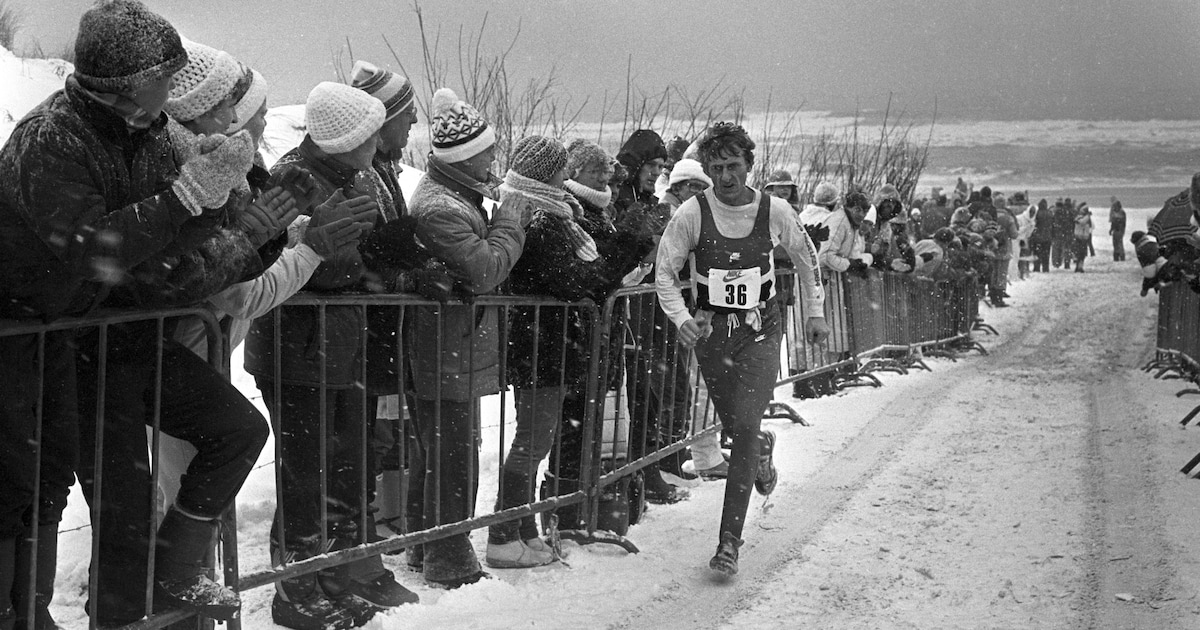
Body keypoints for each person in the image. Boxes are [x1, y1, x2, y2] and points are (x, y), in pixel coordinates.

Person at [244, 81, 418, 629]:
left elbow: (342, 260)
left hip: (334, 345)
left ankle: (333, 574)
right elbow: (303, 262)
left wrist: (379, 254)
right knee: (305, 472)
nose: (381, 144)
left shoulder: (347, 176)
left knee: (339, 465)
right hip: (297, 347)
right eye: (371, 133)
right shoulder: (296, 180)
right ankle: (294, 588)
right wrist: (362, 257)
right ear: (350, 138)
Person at [655, 123, 828, 576]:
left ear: (749, 166)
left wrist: (815, 313)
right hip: (714, 332)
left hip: (761, 327)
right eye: (716, 168)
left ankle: (729, 541)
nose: (726, 177)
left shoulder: (776, 210)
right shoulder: (692, 213)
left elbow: (808, 261)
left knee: (746, 426)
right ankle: (762, 451)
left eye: (733, 166)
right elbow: (664, 274)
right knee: (736, 430)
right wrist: (682, 319)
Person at [492, 135, 656, 567]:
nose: (566, 176)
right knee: (531, 442)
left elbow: (586, 278)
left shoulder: (550, 215)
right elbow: (583, 282)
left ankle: (522, 529)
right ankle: (503, 535)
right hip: (541, 344)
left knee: (536, 440)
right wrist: (632, 244)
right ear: (546, 174)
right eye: (561, 168)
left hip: (546, 343)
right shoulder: (542, 223)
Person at [407, 87, 526, 588]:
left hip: (453, 345)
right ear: (463, 158)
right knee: (452, 454)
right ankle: (448, 554)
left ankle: (423, 544)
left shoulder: (456, 197)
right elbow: (484, 269)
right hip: (445, 347)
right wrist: (510, 223)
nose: (493, 161)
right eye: (486, 154)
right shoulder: (441, 208)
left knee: (442, 449)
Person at [614, 129, 668, 213]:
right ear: (636, 166)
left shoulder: (650, 201)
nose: (656, 172)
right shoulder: (614, 196)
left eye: (660, 167)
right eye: (651, 165)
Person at [1031, 199, 1053, 272]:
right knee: (1046, 254)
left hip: (1038, 237)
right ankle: (1045, 267)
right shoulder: (1050, 213)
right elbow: (1053, 225)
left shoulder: (1037, 214)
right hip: (1047, 237)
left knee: (1037, 253)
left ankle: (1036, 267)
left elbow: (1034, 224)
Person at [1073, 203, 1094, 272]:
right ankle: (1079, 267)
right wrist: (1088, 216)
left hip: (1082, 237)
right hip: (1080, 237)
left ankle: (1079, 266)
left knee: (1081, 254)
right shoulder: (1080, 217)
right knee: (1081, 254)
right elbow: (1082, 222)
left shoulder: (1079, 217)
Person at [1109, 197, 1127, 261]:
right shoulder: (1115, 212)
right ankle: (1116, 256)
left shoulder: (1121, 212)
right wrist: (1111, 229)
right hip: (1115, 230)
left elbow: (1120, 222)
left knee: (1119, 244)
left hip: (1120, 230)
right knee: (1115, 244)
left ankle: (1121, 256)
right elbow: (1113, 222)